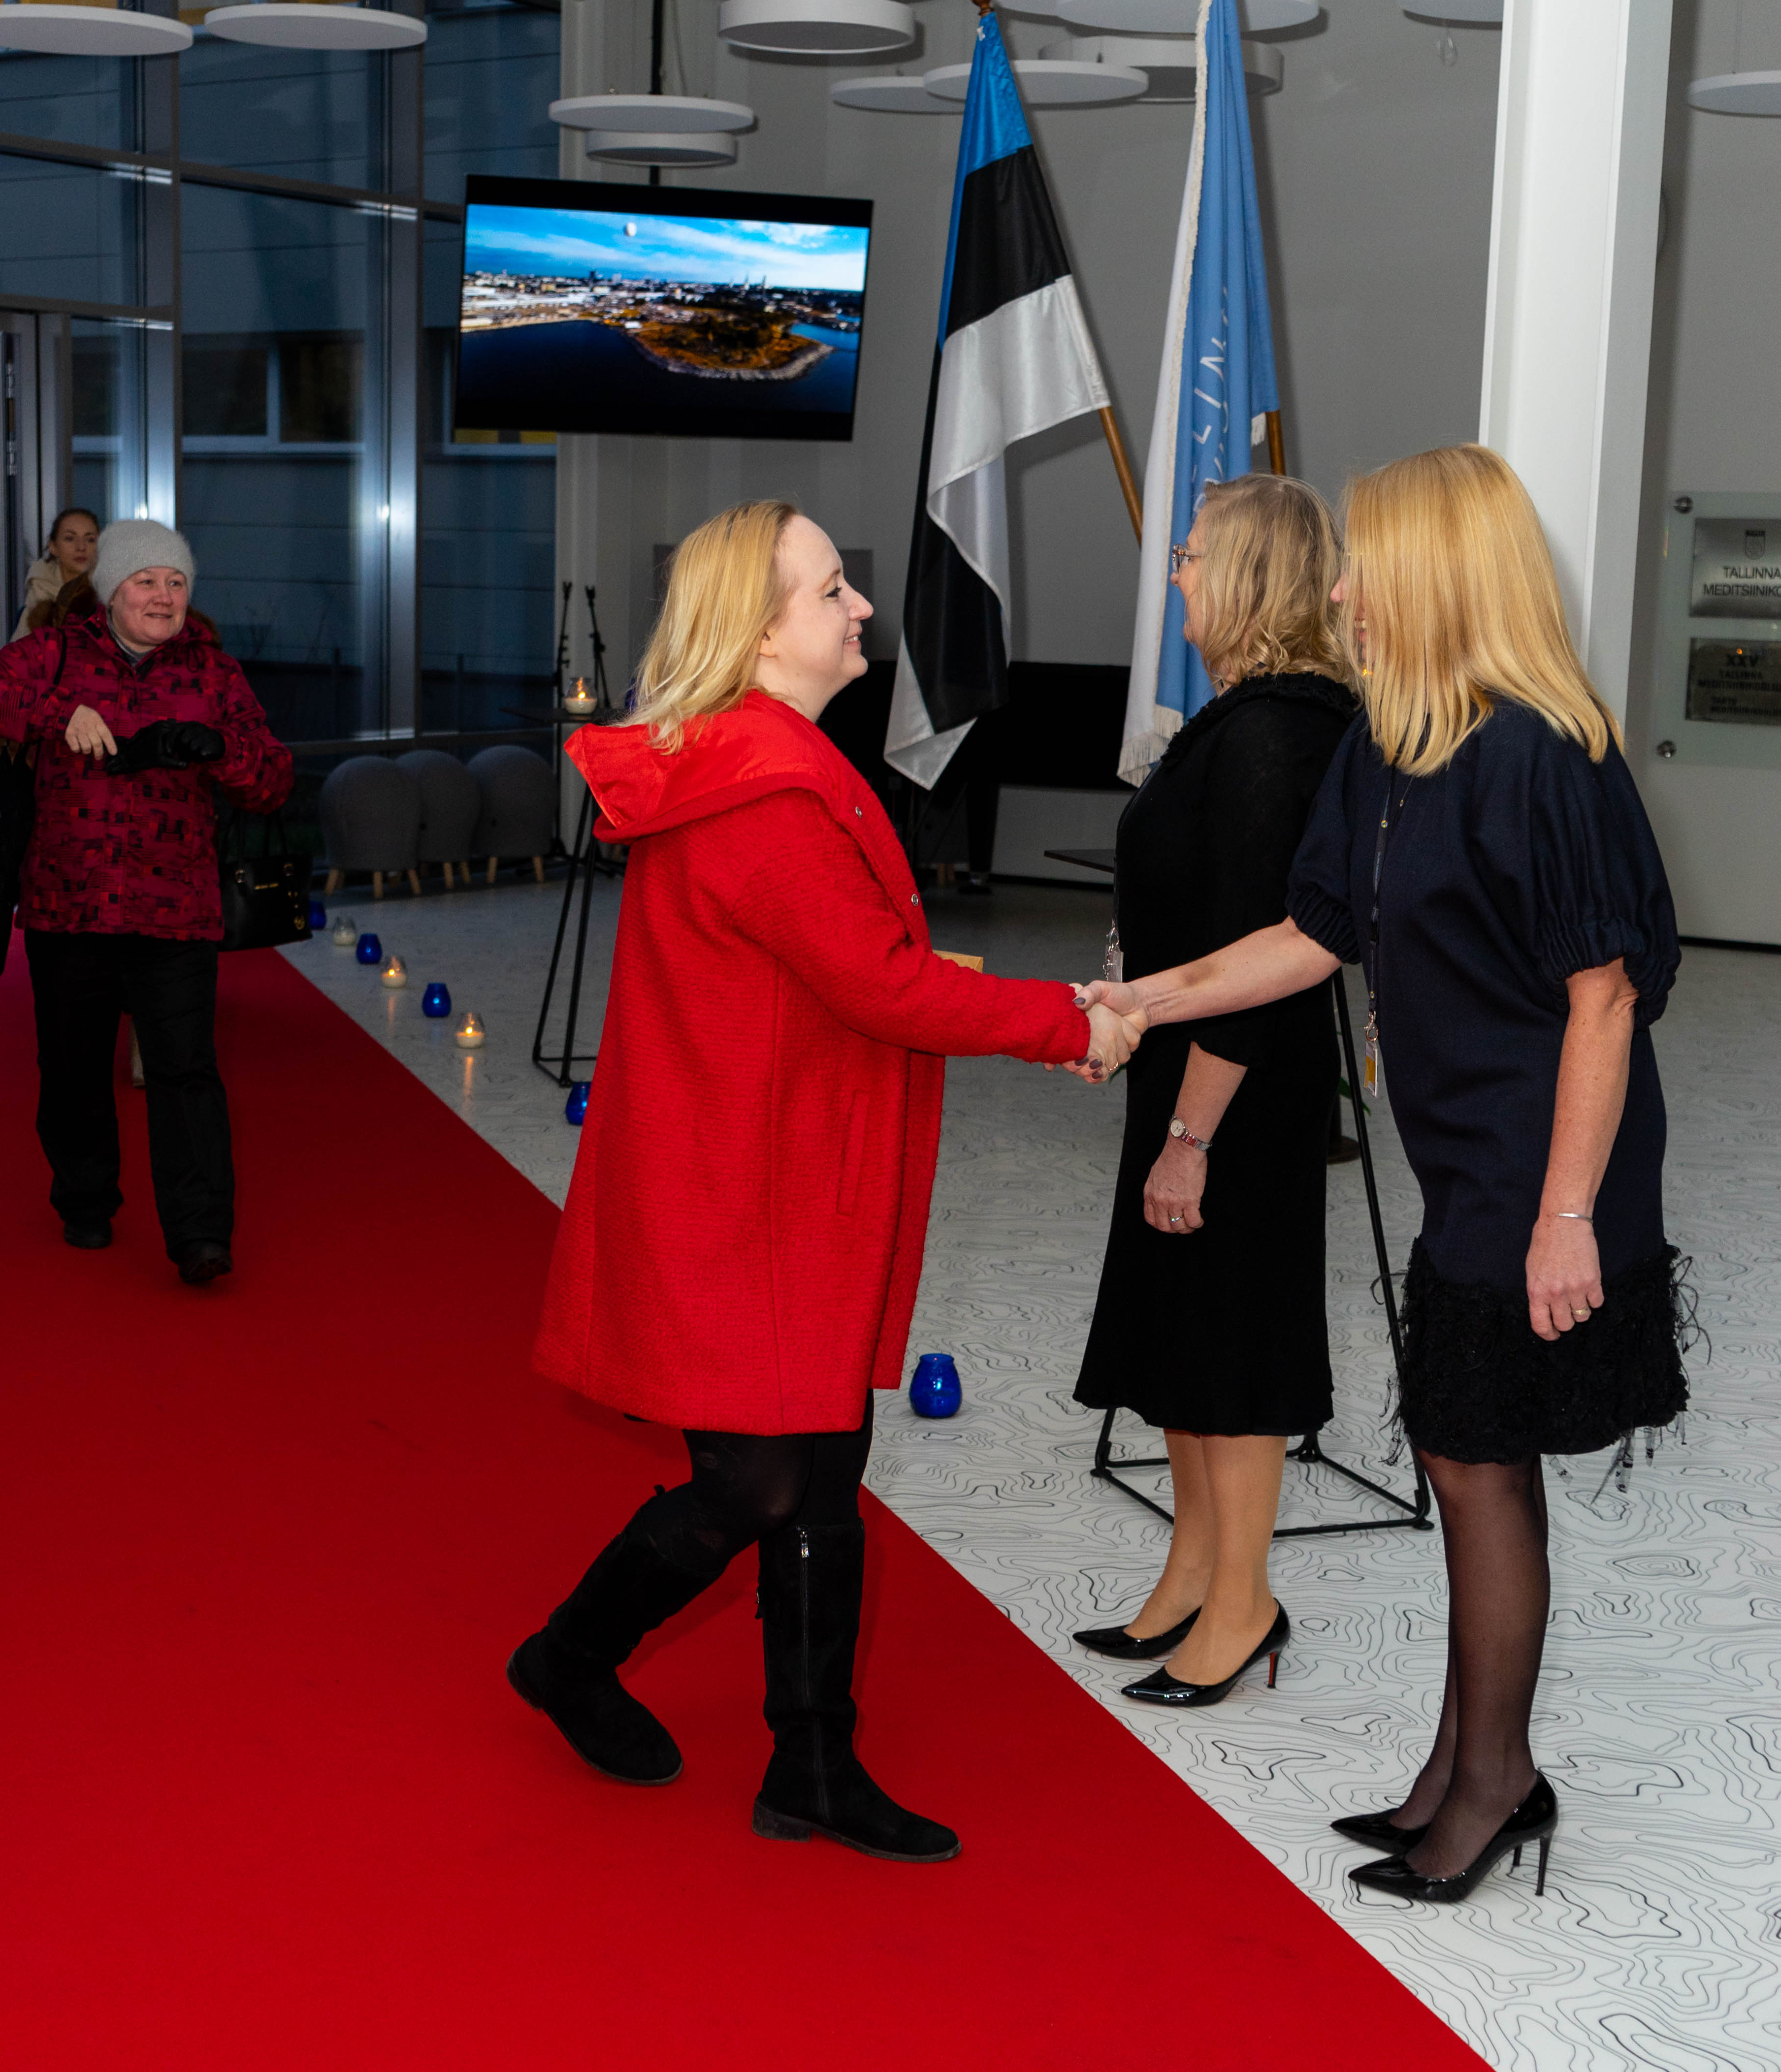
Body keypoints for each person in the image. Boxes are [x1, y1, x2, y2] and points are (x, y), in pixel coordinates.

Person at [1078, 445, 1686, 1904]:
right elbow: (1309, 935)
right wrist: (1146, 1000)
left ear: (1436, 571)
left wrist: (1565, 1215)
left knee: (1476, 1458)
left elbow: (1606, 998)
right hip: (1468, 1150)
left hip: (1542, 1154)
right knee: (1467, 1455)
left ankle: (1491, 1783)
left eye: (1367, 560)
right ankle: (1465, 1767)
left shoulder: (1545, 747)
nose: (1344, 585)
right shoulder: (1393, 742)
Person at [514, 498, 1137, 1862]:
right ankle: (569, 1656)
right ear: (756, 631)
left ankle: (810, 1761)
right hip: (740, 1189)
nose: (861, 608)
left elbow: (853, 968)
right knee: (758, 1485)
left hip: (768, 1170)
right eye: (830, 590)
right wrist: (1067, 1022)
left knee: (820, 1472)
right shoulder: (765, 791)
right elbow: (883, 985)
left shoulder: (757, 759)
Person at [1070, 475, 1359, 1703]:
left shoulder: (1276, 733)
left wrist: (1189, 1132)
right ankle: (1191, 1573)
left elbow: (1260, 953)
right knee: (1181, 1338)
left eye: (1190, 553)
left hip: (1235, 1091)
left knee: (1232, 1349)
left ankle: (1243, 1602)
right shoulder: (1242, 716)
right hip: (1190, 1069)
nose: (1175, 571)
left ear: (1245, 573)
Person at [0, 518, 292, 1285]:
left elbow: (272, 779)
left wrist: (223, 754)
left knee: (186, 1071)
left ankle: (200, 1234)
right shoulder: (58, 653)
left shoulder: (214, 673)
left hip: (176, 910)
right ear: (110, 591)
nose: (163, 596)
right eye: (146, 581)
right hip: (70, 905)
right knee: (73, 1066)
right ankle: (86, 1199)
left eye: (176, 582)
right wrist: (55, 714)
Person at [14, 506, 100, 638]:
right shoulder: (40, 587)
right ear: (53, 547)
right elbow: (20, 646)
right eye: (70, 539)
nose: (81, 547)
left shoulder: (110, 592)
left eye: (90, 540)